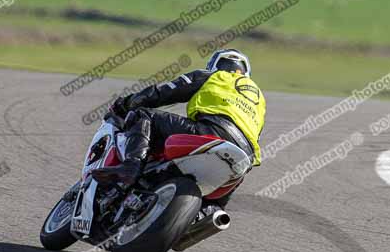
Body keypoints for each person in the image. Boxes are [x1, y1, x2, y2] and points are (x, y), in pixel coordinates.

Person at [89, 48, 265, 209]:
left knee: (143, 116)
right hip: (245, 155)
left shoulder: (213, 76)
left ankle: (131, 166)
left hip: (210, 130)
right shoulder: (259, 99)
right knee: (213, 207)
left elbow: (164, 92)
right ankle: (211, 211)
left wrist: (125, 104)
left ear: (214, 65)